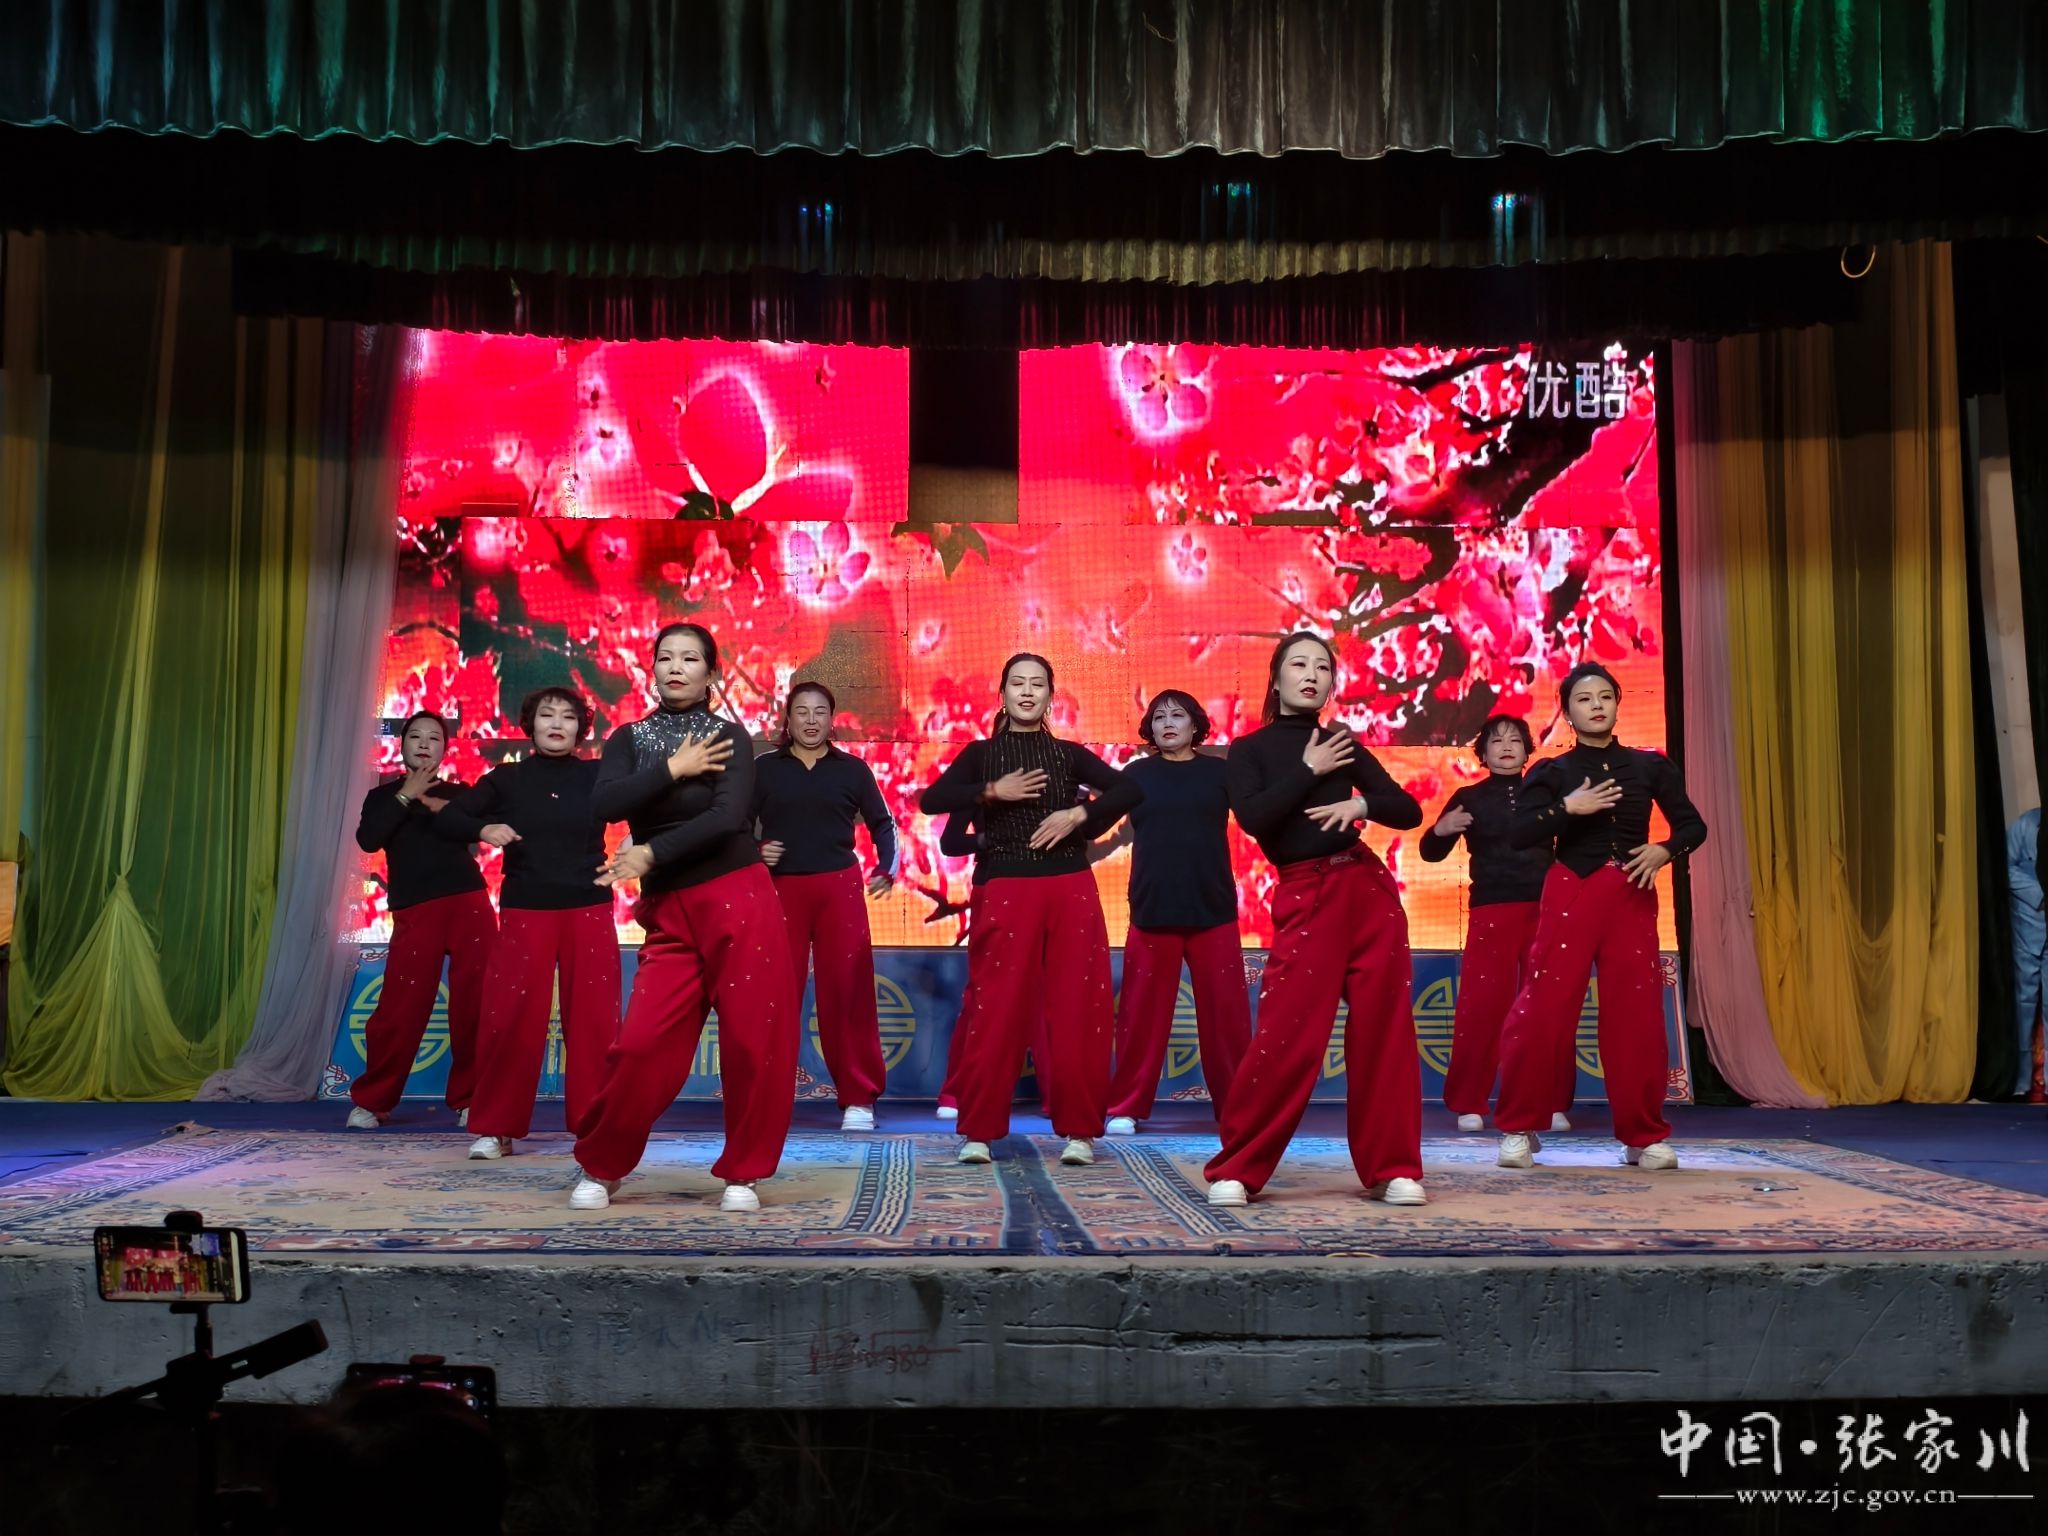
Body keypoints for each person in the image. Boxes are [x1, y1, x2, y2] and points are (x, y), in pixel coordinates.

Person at [570, 622, 798, 1213]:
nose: (676, 667)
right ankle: (603, 1163)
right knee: (641, 1044)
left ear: (711, 673)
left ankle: (744, 1173)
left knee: (753, 1040)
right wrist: (673, 769)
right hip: (670, 911)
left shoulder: (729, 736)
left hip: (738, 898)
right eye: (665, 657)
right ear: (651, 669)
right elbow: (604, 802)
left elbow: (728, 817)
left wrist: (652, 852)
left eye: (690, 658)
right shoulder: (629, 738)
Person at [1204, 632, 1427, 1208]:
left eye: (1322, 667)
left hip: (1366, 890)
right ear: (1276, 678)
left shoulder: (1342, 743)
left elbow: (1408, 810)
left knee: (1384, 1030)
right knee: (1287, 1033)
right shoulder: (1249, 750)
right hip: (1307, 893)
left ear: (1331, 683)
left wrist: (1362, 804)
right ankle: (1240, 1166)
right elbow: (1255, 818)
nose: (1311, 675)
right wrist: (1308, 769)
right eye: (1298, 665)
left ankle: (1393, 1168)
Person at [919, 653, 1141, 1166]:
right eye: (1017, 683)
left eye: (1036, 684)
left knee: (1078, 1007)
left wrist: (1079, 814)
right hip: (1006, 887)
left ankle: (1080, 1131)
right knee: (995, 1008)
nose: (1026, 692)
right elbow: (932, 800)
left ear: (1049, 696)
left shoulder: (1067, 754)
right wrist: (990, 791)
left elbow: (1131, 788)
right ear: (1001, 695)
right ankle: (979, 1130)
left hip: (1070, 886)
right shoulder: (981, 755)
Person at [1492, 661, 1707, 1172]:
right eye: (1584, 699)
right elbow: (1519, 833)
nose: (1596, 706)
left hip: (1631, 894)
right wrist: (1568, 808)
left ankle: (1643, 1135)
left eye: (1605, 697)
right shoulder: (1553, 772)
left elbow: (1692, 826)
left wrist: (1664, 850)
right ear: (1567, 713)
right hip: (1571, 891)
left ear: (1617, 705)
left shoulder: (1650, 766)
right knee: (1543, 1010)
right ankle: (1519, 1126)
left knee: (1636, 1018)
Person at [436, 689, 620, 1160]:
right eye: (546, 715)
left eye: (568, 717)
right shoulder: (507, 779)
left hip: (589, 908)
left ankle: (595, 1125)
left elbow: (650, 808)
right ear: (530, 725)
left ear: (581, 728)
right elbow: (451, 818)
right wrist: (482, 829)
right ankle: (496, 1127)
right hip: (526, 910)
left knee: (596, 1023)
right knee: (510, 1019)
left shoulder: (599, 776)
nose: (557, 724)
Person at [753, 681, 899, 1130]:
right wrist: (754, 852)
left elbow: (884, 824)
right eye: (802, 711)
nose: (811, 720)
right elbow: (732, 826)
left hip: (839, 889)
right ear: (788, 719)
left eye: (820, 711)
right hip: (780, 891)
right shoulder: (763, 769)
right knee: (774, 993)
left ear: (832, 719)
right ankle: (765, 1096)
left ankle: (858, 1098)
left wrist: (886, 868)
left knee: (848, 991)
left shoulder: (852, 771)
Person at [1103, 689, 1249, 1134]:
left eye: (1178, 716)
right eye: (1159, 717)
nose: (1168, 723)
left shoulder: (1220, 773)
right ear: (1150, 728)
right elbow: (1097, 820)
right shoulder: (1137, 774)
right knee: (1140, 1018)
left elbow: (1258, 816)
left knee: (1227, 1020)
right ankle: (1126, 1106)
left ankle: (1238, 1109)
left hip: (1213, 909)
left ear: (1195, 725)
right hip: (1153, 909)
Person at [1417, 715, 1571, 1135]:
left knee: (1548, 1008)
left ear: (1527, 750)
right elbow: (1430, 852)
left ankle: (1550, 1101)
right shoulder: (1469, 797)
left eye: (1515, 741)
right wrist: (1440, 830)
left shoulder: (1546, 794)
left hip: (1545, 912)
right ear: (1482, 753)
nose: (1506, 747)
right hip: (1491, 912)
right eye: (1496, 741)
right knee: (1482, 1009)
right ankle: (1469, 1102)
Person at [345, 711, 496, 1130]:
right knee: (400, 1007)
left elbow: (476, 830)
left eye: (434, 738)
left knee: (476, 1005)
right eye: (416, 736)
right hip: (415, 908)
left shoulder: (460, 794)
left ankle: (471, 1098)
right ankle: (374, 1100)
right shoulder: (381, 796)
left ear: (445, 749)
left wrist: (433, 802)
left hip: (468, 904)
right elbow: (369, 840)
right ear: (402, 744)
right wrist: (404, 795)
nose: (425, 744)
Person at [2010, 807, 2045, 1098]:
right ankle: (2020, 1082)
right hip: (2028, 926)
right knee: (2023, 1004)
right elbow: (2005, 867)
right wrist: (2041, 892)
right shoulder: (2026, 824)